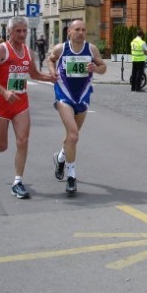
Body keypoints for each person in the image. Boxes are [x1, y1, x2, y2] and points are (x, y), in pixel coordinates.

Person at [0, 16, 57, 199]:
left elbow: (34, 74)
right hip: (1, 102)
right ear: (10, 31)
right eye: (18, 31)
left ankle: (18, 181)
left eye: (25, 31)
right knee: (2, 147)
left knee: (23, 141)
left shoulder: (28, 51)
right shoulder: (2, 50)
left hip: (21, 103)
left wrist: (52, 78)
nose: (22, 34)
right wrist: (5, 92)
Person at [48, 19, 106, 195]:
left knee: (72, 137)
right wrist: (52, 71)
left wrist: (95, 68)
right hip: (64, 94)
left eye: (83, 30)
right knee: (73, 135)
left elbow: (103, 67)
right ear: (69, 32)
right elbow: (50, 60)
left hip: (82, 95)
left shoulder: (91, 49)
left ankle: (60, 158)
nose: (81, 33)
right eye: (77, 29)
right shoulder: (61, 48)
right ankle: (71, 175)